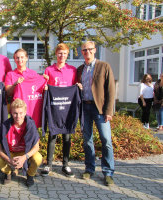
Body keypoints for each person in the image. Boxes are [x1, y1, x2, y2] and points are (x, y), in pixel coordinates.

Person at [77, 41, 115, 186]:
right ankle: (89, 168)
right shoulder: (80, 69)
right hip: (84, 109)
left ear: (95, 50)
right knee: (87, 140)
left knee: (106, 140)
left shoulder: (104, 66)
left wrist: (108, 111)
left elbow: (111, 90)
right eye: (84, 50)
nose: (87, 52)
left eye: (89, 49)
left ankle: (108, 172)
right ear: (81, 52)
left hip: (99, 109)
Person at [41, 43, 77, 177]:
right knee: (52, 135)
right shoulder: (49, 70)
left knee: (67, 136)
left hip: (67, 109)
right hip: (54, 109)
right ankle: (49, 164)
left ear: (67, 55)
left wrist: (77, 87)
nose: (62, 56)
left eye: (65, 53)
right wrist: (45, 85)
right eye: (60, 53)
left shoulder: (72, 70)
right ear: (56, 54)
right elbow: (45, 88)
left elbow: (74, 88)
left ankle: (65, 165)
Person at [0, 98, 42, 187]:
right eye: (15, 113)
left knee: (38, 158)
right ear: (11, 113)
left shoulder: (31, 125)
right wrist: (9, 160)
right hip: (11, 153)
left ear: (25, 112)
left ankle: (30, 175)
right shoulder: (4, 127)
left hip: (25, 152)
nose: (18, 116)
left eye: (21, 113)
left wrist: (24, 157)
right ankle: (8, 173)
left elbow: (36, 147)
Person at [5, 48, 47, 128]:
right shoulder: (10, 74)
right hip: (18, 113)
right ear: (14, 59)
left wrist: (45, 80)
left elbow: (41, 88)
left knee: (32, 135)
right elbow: (8, 93)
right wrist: (15, 84)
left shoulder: (33, 73)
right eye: (17, 57)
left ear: (26, 58)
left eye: (22, 57)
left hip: (32, 110)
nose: (19, 59)